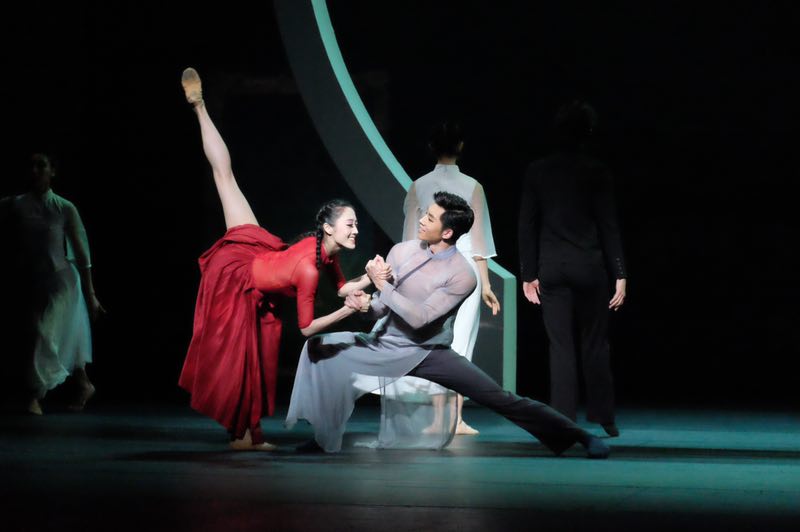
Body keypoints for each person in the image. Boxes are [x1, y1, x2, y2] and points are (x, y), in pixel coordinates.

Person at [286, 191, 609, 458]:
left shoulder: (462, 275)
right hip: (383, 345)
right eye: (424, 214)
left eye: (429, 218)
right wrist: (365, 306)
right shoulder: (402, 251)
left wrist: (380, 285)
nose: (422, 220)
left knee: (500, 397)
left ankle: (579, 435)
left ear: (447, 233)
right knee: (319, 348)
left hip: (427, 352)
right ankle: (323, 438)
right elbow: (383, 308)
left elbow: (420, 318)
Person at [177, 68, 390, 451]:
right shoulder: (309, 268)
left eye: (357, 224)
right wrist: (347, 311)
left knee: (226, 178)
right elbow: (307, 329)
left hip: (260, 259)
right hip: (239, 277)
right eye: (350, 224)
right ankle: (199, 106)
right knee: (224, 178)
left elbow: (342, 288)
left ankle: (246, 435)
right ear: (328, 228)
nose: (356, 231)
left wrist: (370, 279)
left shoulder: (324, 252)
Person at [518, 100, 627, 437]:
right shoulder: (597, 170)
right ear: (588, 132)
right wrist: (620, 273)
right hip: (589, 266)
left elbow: (526, 225)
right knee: (595, 342)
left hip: (552, 267)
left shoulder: (537, 170)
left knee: (560, 346)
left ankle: (563, 418)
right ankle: (603, 415)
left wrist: (528, 274)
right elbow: (608, 224)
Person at [399, 121, 500, 436]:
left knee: (434, 340)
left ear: (432, 147)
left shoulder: (418, 185)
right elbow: (479, 239)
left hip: (428, 268)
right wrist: (486, 284)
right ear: (461, 147)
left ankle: (436, 420)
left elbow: (410, 236)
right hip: (465, 267)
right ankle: (455, 420)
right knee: (461, 343)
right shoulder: (473, 186)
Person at [0, 153, 103, 415]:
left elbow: (82, 253)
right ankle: (84, 384)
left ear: (52, 171)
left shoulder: (64, 207)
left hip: (62, 282)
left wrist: (90, 294)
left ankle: (34, 394)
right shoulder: (16, 204)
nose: (35, 170)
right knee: (63, 335)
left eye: (41, 165)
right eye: (31, 166)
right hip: (34, 281)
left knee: (43, 332)